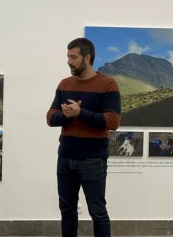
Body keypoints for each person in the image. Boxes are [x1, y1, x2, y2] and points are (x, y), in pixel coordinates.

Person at [46, 38, 121, 237]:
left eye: (73, 57)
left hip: (93, 160)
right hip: (65, 159)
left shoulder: (108, 84)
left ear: (87, 57)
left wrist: (81, 113)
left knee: (98, 212)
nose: (69, 61)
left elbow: (113, 121)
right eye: (68, 57)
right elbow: (50, 117)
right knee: (67, 211)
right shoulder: (64, 84)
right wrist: (67, 115)